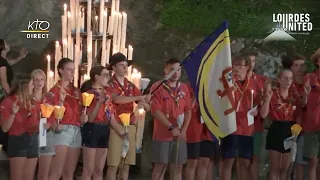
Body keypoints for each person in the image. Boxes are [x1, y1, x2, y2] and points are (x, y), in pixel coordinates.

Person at [106, 52, 150, 180]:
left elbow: (147, 107)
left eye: (126, 65)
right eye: (121, 65)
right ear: (113, 68)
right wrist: (138, 97)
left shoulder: (131, 85)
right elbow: (116, 99)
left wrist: (144, 103)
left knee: (126, 165)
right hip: (116, 126)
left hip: (130, 126)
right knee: (113, 164)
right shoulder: (109, 84)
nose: (125, 68)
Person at [260, 69, 308, 180]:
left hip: (290, 131)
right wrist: (267, 98)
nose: (288, 81)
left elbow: (301, 111)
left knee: (285, 169)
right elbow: (263, 115)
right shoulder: (273, 94)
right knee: (275, 168)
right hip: (276, 129)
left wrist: (296, 132)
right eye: (285, 78)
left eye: (290, 78)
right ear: (279, 80)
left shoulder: (294, 96)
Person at [80, 65, 125, 180]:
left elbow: (110, 116)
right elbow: (90, 118)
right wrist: (99, 102)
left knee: (99, 169)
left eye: (108, 75)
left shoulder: (108, 95)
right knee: (88, 169)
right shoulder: (88, 94)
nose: (108, 78)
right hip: (92, 128)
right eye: (105, 75)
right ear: (96, 77)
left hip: (104, 129)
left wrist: (121, 130)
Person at [47, 58, 88, 180]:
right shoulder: (54, 91)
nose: (72, 72)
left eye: (73, 70)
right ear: (60, 70)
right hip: (62, 130)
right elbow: (48, 113)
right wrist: (60, 102)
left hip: (76, 130)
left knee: (69, 173)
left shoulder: (76, 91)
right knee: (56, 172)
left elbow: (80, 111)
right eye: (69, 69)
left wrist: (83, 117)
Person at [150, 57, 192, 180]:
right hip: (163, 134)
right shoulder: (158, 87)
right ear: (165, 70)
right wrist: (171, 127)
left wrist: (183, 130)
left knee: (178, 166)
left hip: (180, 134)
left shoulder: (183, 88)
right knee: (161, 166)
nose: (176, 73)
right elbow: (156, 111)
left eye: (178, 70)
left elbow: (188, 110)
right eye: (172, 70)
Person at [220, 54, 259, 180]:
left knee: (245, 163)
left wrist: (256, 111)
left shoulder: (253, 84)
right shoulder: (228, 82)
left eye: (239, 65)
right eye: (234, 65)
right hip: (231, 127)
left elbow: (257, 104)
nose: (236, 68)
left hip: (247, 129)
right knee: (228, 161)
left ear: (247, 67)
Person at [0, 75, 40, 180]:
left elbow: (37, 123)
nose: (34, 87)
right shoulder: (9, 101)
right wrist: (13, 113)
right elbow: (4, 128)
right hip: (18, 140)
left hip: (33, 140)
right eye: (32, 84)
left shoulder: (34, 102)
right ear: (25, 86)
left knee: (29, 177)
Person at [242, 49, 267, 180]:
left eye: (253, 61)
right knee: (243, 160)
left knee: (255, 158)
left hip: (256, 126)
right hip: (241, 126)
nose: (251, 64)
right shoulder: (238, 80)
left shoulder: (262, 80)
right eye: (248, 61)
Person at [185, 83, 219, 180]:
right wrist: (196, 95)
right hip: (194, 130)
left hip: (208, 130)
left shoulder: (213, 87)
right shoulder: (187, 87)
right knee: (192, 162)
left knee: (205, 162)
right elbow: (187, 108)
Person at [283, 54, 308, 180]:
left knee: (300, 163)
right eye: (296, 65)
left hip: (305, 127)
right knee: (287, 164)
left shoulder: (308, 83)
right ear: (291, 67)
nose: (299, 68)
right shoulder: (286, 83)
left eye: (302, 65)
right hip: (288, 125)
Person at [27, 69, 55, 180]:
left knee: (44, 175)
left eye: (42, 79)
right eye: (36, 80)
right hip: (31, 136)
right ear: (32, 82)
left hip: (46, 136)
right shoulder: (27, 99)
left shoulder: (49, 99)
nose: (39, 82)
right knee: (28, 174)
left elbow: (54, 115)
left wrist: (50, 123)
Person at [302, 50, 320, 180]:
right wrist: (307, 94)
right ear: (317, 61)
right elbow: (303, 103)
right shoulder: (309, 77)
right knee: (313, 162)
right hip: (312, 124)